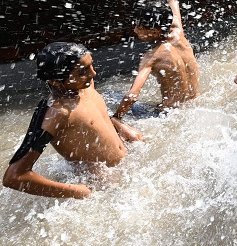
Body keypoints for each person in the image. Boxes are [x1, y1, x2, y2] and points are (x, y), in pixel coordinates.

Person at [3, 43, 142, 199]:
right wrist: (77, 191)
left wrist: (119, 125)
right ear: (55, 81)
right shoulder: (56, 113)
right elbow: (14, 176)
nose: (93, 73)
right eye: (83, 72)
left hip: (128, 166)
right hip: (103, 187)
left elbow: (93, 118)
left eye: (91, 65)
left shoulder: (84, 86)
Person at [113, 0, 199, 119]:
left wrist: (116, 119)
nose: (135, 29)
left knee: (110, 95)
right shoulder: (178, 32)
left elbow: (131, 96)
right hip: (194, 106)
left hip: (168, 115)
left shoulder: (151, 57)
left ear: (154, 31)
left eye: (139, 26)